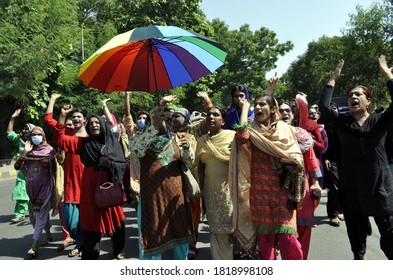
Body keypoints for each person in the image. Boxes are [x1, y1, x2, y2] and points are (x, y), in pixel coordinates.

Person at [319, 55, 393, 260]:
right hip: (352, 190)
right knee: (357, 245)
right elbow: (324, 107)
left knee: (390, 239)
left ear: (368, 101)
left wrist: (387, 75)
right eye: (351, 94)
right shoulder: (342, 122)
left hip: (380, 190)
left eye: (358, 94)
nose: (353, 96)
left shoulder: (380, 120)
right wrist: (333, 78)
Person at [232, 92, 305, 260]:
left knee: (288, 237)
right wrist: (244, 108)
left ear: (273, 109)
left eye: (262, 104)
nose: (258, 107)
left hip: (283, 189)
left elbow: (295, 155)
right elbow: (241, 138)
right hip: (260, 191)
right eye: (255, 105)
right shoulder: (252, 130)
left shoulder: (284, 129)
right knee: (266, 239)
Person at [129, 95, 194, 260]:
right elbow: (135, 150)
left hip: (175, 198)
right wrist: (154, 126)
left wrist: (187, 149)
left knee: (180, 239)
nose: (167, 121)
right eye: (162, 117)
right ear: (154, 118)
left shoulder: (178, 138)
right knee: (152, 240)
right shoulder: (143, 139)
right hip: (153, 200)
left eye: (169, 117)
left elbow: (189, 162)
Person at [56, 114, 128, 260]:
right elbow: (61, 140)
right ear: (87, 127)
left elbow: (124, 164)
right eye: (91, 123)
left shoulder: (112, 142)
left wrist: (110, 164)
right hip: (89, 188)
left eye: (97, 123)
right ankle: (90, 257)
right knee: (90, 223)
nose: (94, 125)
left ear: (102, 125)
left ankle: (118, 250)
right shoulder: (83, 143)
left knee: (116, 220)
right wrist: (62, 117)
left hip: (109, 188)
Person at [44, 93, 87, 257]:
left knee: (86, 221)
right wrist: (56, 105)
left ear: (85, 120)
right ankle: (80, 241)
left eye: (78, 117)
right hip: (71, 184)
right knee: (70, 222)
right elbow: (49, 120)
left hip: (88, 182)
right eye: (73, 117)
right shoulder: (67, 134)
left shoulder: (92, 137)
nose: (75, 120)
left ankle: (82, 245)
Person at [279, 102, 322, 259]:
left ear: (293, 114)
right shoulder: (269, 135)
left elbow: (311, 159)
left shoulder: (302, 135)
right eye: (281, 110)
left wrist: (315, 182)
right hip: (277, 190)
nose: (285, 113)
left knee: (303, 228)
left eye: (288, 110)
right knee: (285, 234)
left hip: (301, 188)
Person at [194, 106, 236, 259]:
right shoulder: (202, 141)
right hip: (211, 192)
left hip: (230, 191)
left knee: (231, 227)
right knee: (215, 229)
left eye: (215, 115)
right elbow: (198, 167)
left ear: (223, 121)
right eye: (209, 114)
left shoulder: (233, 137)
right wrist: (202, 191)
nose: (211, 117)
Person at [14, 126, 57, 258]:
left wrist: (55, 188)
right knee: (34, 216)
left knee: (40, 215)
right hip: (31, 189)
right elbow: (17, 167)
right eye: (33, 135)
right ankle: (48, 234)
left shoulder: (50, 151)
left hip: (46, 187)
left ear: (43, 136)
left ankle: (34, 245)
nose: (36, 137)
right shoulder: (28, 150)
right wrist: (25, 153)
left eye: (38, 134)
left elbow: (55, 171)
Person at [6, 109, 35, 224]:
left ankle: (38, 212)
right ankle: (20, 214)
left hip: (35, 172)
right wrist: (13, 118)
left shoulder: (38, 141)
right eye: (24, 128)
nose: (25, 130)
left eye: (28, 128)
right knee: (21, 192)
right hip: (23, 171)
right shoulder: (20, 140)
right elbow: (9, 133)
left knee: (36, 194)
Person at [319, 102, 344, 226]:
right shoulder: (323, 125)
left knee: (343, 187)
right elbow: (323, 144)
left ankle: (339, 210)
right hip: (330, 160)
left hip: (344, 160)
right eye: (331, 109)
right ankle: (333, 214)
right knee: (334, 187)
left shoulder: (343, 123)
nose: (333, 111)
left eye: (335, 108)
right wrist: (325, 158)